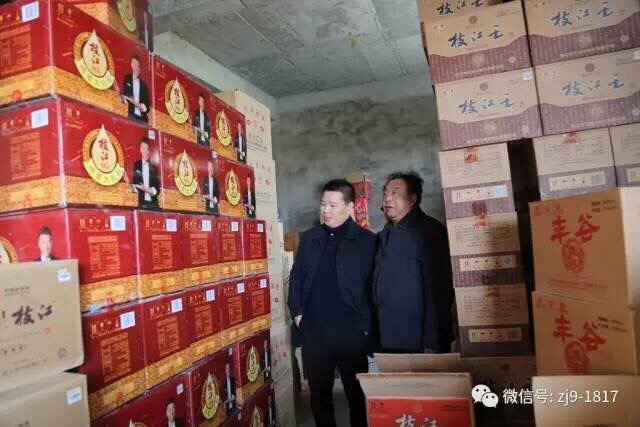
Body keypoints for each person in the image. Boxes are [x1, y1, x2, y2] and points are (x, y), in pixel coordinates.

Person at [288, 179, 376, 427]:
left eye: (333, 205)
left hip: (352, 334)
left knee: (356, 396)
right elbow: (296, 279)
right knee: (320, 398)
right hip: (315, 333)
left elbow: (373, 288)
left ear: (350, 207)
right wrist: (299, 316)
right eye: (323, 204)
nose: (325, 210)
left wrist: (365, 327)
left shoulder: (367, 241)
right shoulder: (310, 238)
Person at [373, 172, 454, 354]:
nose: (388, 199)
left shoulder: (429, 231)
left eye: (395, 193)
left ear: (412, 199)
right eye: (385, 194)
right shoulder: (385, 233)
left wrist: (433, 340)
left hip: (418, 340)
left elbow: (439, 291)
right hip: (389, 337)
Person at [118, 53, 149, 122]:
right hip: (131, 116)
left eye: (136, 64)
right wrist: (123, 97)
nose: (134, 66)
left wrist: (136, 104)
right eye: (133, 63)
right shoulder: (127, 78)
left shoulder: (144, 85)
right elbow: (125, 96)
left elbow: (147, 107)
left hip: (143, 119)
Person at [131, 138, 160, 209]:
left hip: (154, 204)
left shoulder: (154, 167)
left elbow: (158, 189)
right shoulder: (136, 165)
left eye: (147, 149)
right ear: (140, 149)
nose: (146, 152)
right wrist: (132, 185)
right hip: (141, 203)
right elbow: (135, 184)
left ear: (149, 151)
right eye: (143, 149)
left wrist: (149, 190)